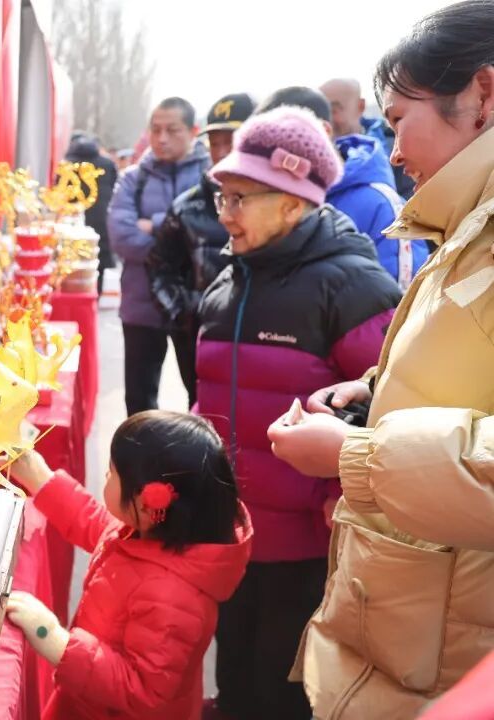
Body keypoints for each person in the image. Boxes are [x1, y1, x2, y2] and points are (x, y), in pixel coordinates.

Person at [267, 2, 494, 716]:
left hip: (452, 657)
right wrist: (374, 393)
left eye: (398, 120)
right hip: (419, 629)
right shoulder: (465, 227)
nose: (392, 151)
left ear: (482, 96)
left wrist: (355, 456)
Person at [198, 106, 401, 719]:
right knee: (234, 680)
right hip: (231, 535)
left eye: (240, 198)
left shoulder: (355, 288)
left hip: (310, 551)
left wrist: (339, 487)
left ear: (292, 203)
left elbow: (393, 410)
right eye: (222, 198)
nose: (225, 213)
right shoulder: (231, 279)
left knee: (283, 696)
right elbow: (212, 394)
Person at [4, 411, 251, 720]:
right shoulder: (149, 534)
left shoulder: (173, 598)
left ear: (149, 504)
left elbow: (141, 691)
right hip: (87, 697)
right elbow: (93, 523)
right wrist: (39, 477)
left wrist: (52, 637)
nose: (106, 478)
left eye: (111, 473)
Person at [149, 92, 255, 406]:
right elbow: (159, 268)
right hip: (198, 336)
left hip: (259, 338)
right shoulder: (187, 207)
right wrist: (183, 314)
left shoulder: (275, 206)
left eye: (231, 142)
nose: (221, 153)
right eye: (215, 143)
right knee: (203, 410)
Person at [107, 97, 209, 415]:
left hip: (196, 304)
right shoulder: (133, 179)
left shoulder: (211, 177)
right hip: (142, 305)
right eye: (155, 130)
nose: (162, 138)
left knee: (202, 397)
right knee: (139, 401)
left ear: (193, 131)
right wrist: (180, 242)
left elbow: (214, 232)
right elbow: (122, 236)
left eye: (172, 130)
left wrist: (153, 224)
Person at [321, 78, 430, 287]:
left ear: (360, 106)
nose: (327, 120)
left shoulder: (399, 151)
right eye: (320, 111)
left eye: (334, 109)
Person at [65, 132, 117, 295]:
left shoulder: (68, 165)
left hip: (72, 221)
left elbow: (60, 193)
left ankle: (73, 294)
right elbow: (114, 187)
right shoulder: (107, 164)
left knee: (72, 261)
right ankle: (96, 293)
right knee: (98, 259)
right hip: (101, 217)